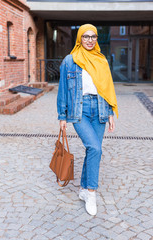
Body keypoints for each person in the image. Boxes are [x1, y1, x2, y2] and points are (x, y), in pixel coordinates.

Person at [57, 24, 118, 216]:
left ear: (97, 39)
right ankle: (92, 193)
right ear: (80, 39)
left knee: (91, 150)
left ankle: (83, 189)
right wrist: (62, 116)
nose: (90, 40)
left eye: (93, 36)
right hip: (79, 110)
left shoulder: (102, 60)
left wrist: (110, 113)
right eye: (86, 36)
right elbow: (63, 90)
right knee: (95, 148)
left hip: (100, 109)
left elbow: (107, 88)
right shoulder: (70, 60)